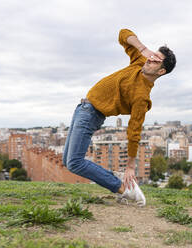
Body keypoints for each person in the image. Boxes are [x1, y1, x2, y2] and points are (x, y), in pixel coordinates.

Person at [62, 28, 176, 206]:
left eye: (156, 60)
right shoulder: (139, 62)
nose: (151, 59)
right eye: (153, 55)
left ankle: (123, 189)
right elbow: (123, 34)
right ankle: (119, 183)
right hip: (82, 108)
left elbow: (134, 131)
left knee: (75, 162)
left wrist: (130, 166)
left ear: (161, 71)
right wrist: (144, 49)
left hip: (91, 114)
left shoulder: (141, 96)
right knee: (67, 161)